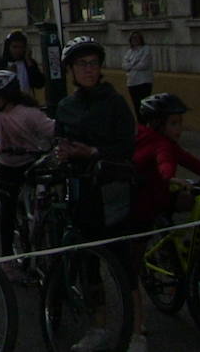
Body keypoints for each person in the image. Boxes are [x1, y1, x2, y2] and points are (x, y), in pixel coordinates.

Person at [54, 36, 137, 352]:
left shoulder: (114, 102)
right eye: (81, 64)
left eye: (93, 64)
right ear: (71, 70)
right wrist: (62, 154)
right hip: (80, 189)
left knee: (123, 263)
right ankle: (98, 326)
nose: (89, 70)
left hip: (112, 189)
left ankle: (137, 330)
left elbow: (128, 145)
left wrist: (94, 151)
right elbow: (60, 140)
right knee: (88, 261)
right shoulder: (66, 106)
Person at [131, 92, 200, 346]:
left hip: (156, 195)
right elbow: (166, 165)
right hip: (143, 204)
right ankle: (136, 323)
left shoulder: (150, 136)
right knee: (131, 264)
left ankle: (185, 244)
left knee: (194, 199)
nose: (179, 128)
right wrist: (170, 178)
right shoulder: (158, 143)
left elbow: (186, 158)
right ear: (158, 123)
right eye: (174, 123)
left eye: (180, 122)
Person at [0, 69, 53, 278]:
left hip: (31, 162)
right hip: (7, 164)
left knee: (42, 202)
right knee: (7, 212)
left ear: (10, 95)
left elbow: (50, 129)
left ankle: (41, 234)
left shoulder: (28, 113)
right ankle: (7, 260)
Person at [122, 32, 154, 114]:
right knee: (136, 105)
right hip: (132, 82)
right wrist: (134, 64)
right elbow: (124, 65)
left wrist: (131, 65)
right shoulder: (129, 52)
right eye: (132, 38)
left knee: (145, 104)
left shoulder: (146, 49)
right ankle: (140, 124)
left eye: (136, 38)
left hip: (143, 81)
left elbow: (144, 65)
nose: (134, 40)